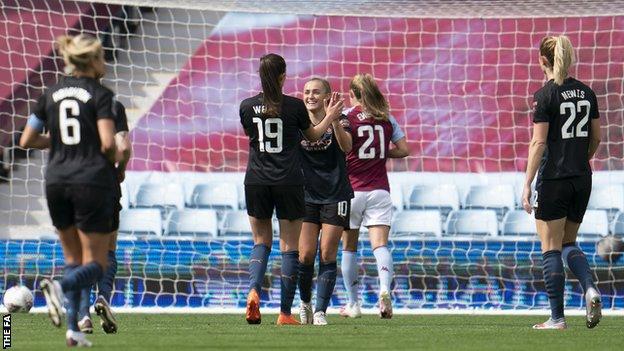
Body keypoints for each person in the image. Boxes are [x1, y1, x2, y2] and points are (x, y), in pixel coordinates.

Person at [20, 34, 117, 347]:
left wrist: (58, 141)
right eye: (102, 57)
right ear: (90, 62)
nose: (105, 62)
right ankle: (61, 289)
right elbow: (106, 143)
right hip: (90, 181)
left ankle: (73, 329)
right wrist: (116, 156)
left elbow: (27, 140)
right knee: (95, 264)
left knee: (73, 259)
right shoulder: (101, 95)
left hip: (56, 181)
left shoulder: (49, 93)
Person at [239, 54, 343, 325]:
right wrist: (330, 115)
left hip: (256, 180)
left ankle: (253, 290)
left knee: (261, 241)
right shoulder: (295, 107)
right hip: (288, 181)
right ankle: (285, 313)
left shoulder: (246, 106)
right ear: (283, 77)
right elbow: (314, 136)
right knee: (289, 248)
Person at [522, 35, 602, 330]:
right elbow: (596, 138)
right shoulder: (587, 93)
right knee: (569, 242)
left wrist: (527, 184)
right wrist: (580, 160)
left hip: (553, 179)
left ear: (543, 60)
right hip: (582, 179)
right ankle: (590, 288)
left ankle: (557, 318)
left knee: (550, 247)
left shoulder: (545, 95)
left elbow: (538, 143)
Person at [338, 74, 409, 319]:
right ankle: (383, 290)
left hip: (352, 190)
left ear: (353, 95)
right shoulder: (386, 117)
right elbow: (404, 149)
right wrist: (380, 153)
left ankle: (353, 304)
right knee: (380, 245)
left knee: (349, 247)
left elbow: (344, 146)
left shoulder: (347, 116)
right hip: (380, 190)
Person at [297, 78, 353, 325]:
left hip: (336, 194)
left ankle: (320, 311)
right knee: (305, 255)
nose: (310, 96)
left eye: (316, 92)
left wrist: (332, 118)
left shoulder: (341, 119)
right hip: (306, 196)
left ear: (327, 96)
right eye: (307, 91)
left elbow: (347, 146)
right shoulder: (297, 121)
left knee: (328, 253)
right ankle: (305, 304)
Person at [77, 99, 130, 335]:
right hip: (107, 184)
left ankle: (82, 316)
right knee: (108, 249)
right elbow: (124, 148)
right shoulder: (112, 106)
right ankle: (103, 297)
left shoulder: (60, 105)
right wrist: (121, 168)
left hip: (76, 183)